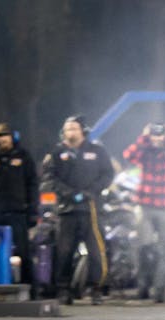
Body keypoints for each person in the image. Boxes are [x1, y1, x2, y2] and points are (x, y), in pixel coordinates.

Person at [42, 115, 114, 305]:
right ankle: (63, 289)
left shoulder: (97, 151)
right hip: (67, 209)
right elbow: (49, 177)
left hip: (91, 208)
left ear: (83, 131)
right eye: (67, 129)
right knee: (64, 251)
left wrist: (91, 192)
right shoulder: (56, 153)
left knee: (96, 251)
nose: (70, 132)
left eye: (74, 128)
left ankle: (96, 289)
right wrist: (68, 193)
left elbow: (108, 174)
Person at [123, 122, 165, 303]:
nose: (157, 138)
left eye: (160, 134)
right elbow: (128, 155)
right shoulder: (145, 149)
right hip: (146, 205)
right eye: (154, 134)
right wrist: (143, 138)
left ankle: (159, 289)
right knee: (143, 246)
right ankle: (143, 286)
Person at [0, 123, 39, 289]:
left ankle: (31, 288)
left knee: (23, 253)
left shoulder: (24, 157)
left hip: (18, 213)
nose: (3, 139)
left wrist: (33, 210)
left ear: (13, 137)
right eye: (0, 136)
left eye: (6, 135)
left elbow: (32, 185)